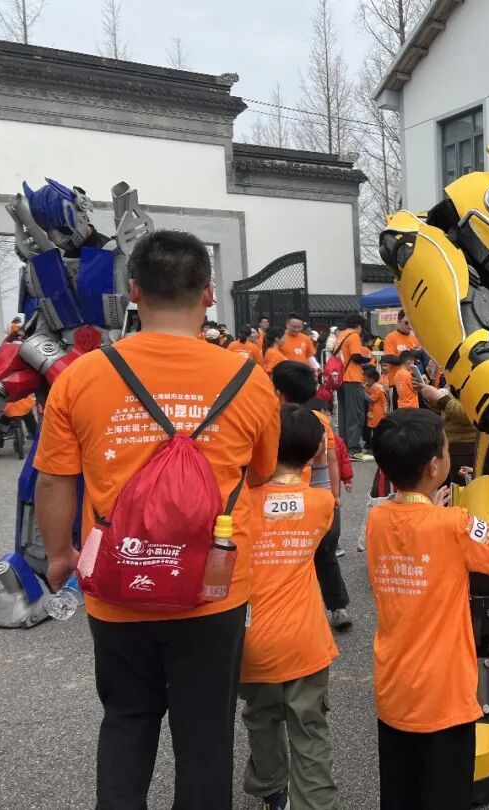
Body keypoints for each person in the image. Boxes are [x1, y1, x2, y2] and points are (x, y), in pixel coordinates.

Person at [33, 229, 280, 809]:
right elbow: (262, 474)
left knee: (127, 719)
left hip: (118, 584)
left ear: (134, 292)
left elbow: (52, 479)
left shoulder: (81, 376)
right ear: (209, 294)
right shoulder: (249, 379)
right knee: (206, 737)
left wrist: (61, 555)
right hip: (213, 588)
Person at [365, 409, 489, 809]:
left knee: (401, 795)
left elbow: (414, 527)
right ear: (434, 467)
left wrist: (430, 507)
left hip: (394, 692)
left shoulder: (376, 520)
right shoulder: (455, 526)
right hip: (444, 699)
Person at [239, 404, 338, 810]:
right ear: (315, 450)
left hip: (250, 641)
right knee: (309, 728)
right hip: (304, 641)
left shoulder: (241, 504)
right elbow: (314, 490)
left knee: (261, 720)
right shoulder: (320, 504)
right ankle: (314, 802)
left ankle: (272, 789)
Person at [272, 361, 353, 632]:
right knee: (326, 554)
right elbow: (331, 459)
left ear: (278, 391)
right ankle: (338, 608)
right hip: (320, 497)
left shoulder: (273, 418)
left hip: (281, 496)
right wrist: (334, 496)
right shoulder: (320, 420)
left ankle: (288, 614)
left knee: (284, 558)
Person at [416, 382, 479, 483]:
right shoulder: (453, 380)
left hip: (467, 450)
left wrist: (441, 399)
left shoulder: (475, 382)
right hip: (449, 448)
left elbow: (470, 414)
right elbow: (444, 409)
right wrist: (429, 394)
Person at [334, 314, 372, 460]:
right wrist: (368, 358)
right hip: (352, 378)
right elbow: (356, 356)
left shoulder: (341, 335)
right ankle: (354, 449)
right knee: (355, 414)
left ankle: (344, 447)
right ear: (360, 326)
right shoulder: (354, 335)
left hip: (340, 379)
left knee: (344, 414)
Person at [383, 310, 421, 401]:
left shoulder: (415, 339)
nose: (409, 325)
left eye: (411, 323)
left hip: (412, 383)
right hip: (396, 382)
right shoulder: (390, 337)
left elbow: (419, 358)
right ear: (399, 322)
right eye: (406, 322)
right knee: (397, 408)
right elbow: (388, 357)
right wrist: (406, 359)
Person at [364, 366, 387, 451]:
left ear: (371, 379)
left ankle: (376, 446)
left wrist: (362, 393)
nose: (365, 380)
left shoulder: (377, 388)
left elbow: (371, 399)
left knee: (376, 430)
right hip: (373, 412)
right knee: (373, 430)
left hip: (378, 413)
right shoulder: (372, 386)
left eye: (366, 378)